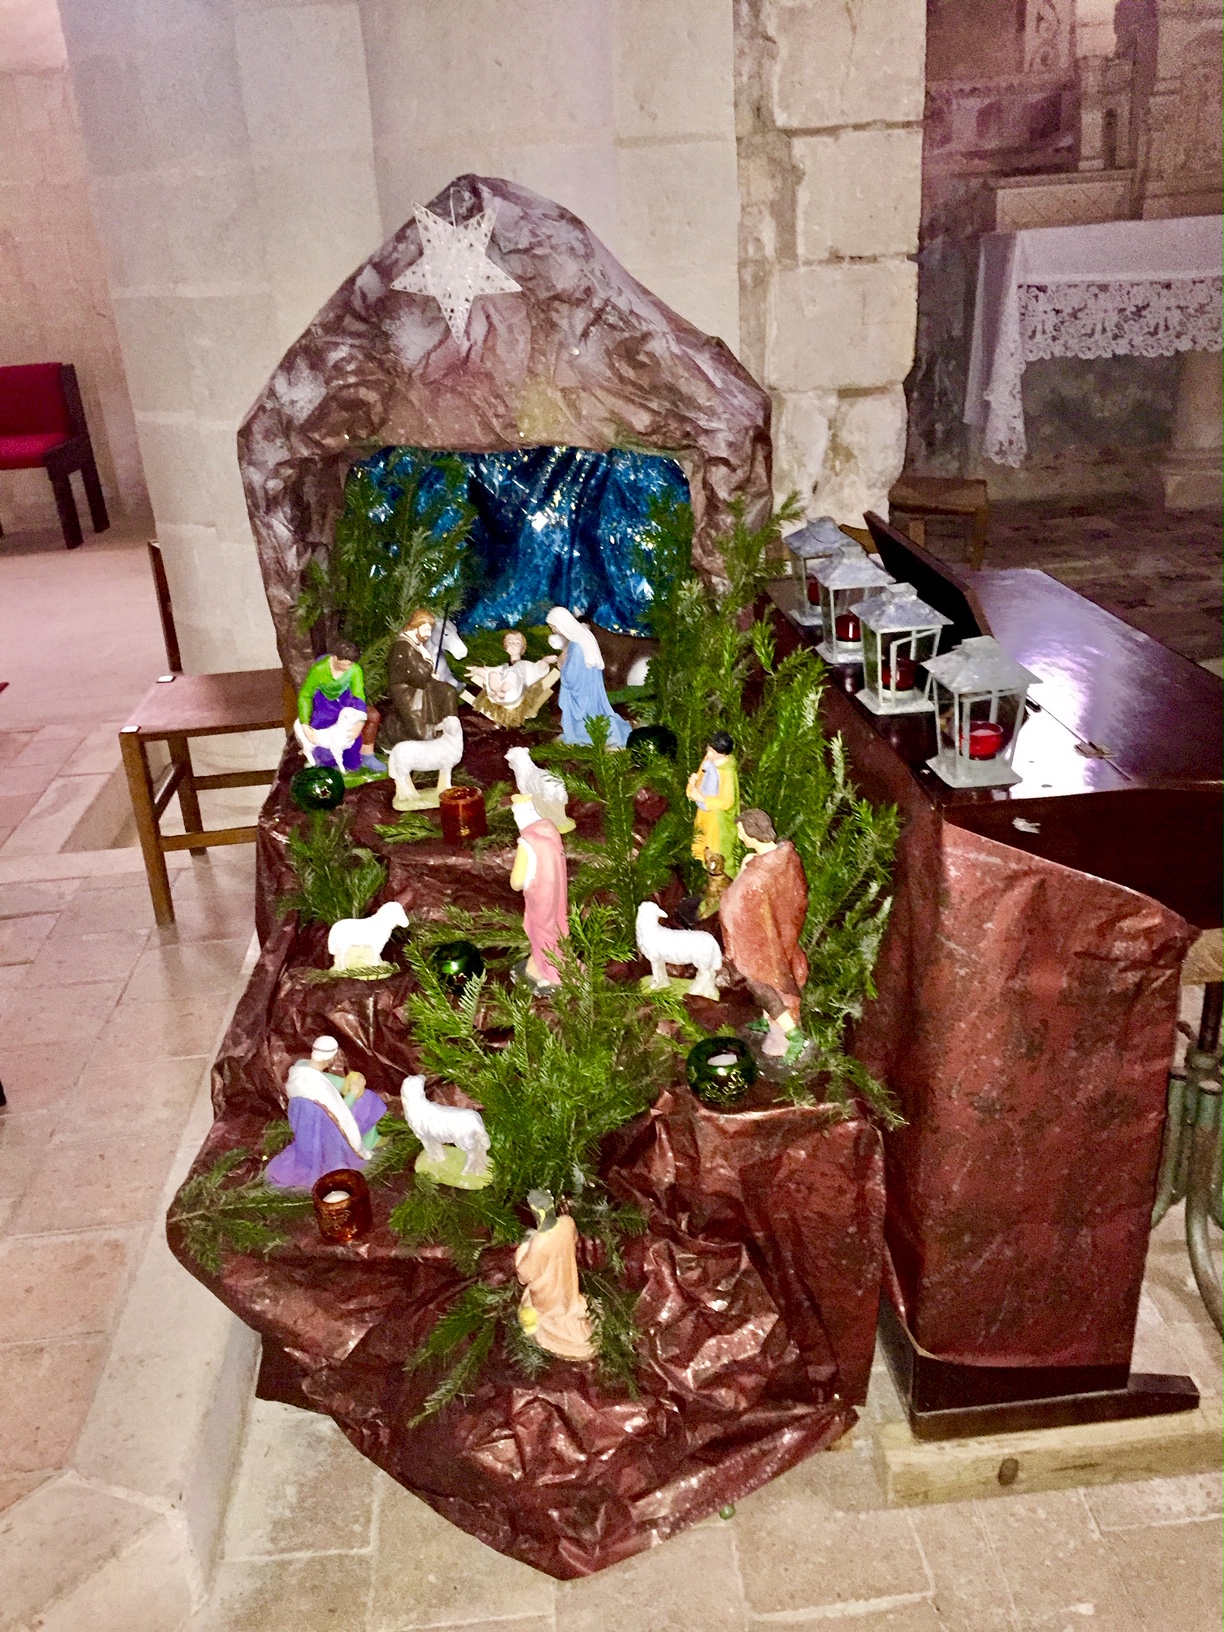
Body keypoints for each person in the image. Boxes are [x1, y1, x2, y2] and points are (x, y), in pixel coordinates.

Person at [718, 808, 809, 1059]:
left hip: (761, 943)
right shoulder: (787, 858)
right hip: (782, 932)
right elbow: (799, 896)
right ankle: (769, 1019)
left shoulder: (755, 878)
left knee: (763, 986)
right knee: (778, 980)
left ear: (752, 833)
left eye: (741, 832)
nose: (740, 837)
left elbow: (732, 907)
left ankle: (792, 1035)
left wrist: (743, 873)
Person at [265, 1036, 387, 1190]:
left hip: (306, 1124)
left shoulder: (301, 1068)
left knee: (365, 1097)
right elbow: (338, 1115)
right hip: (327, 1131)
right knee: (367, 1100)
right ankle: (368, 1143)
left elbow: (325, 1079)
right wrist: (353, 1094)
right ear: (330, 1058)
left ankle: (372, 1139)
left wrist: (347, 1082)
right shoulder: (319, 1090)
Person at [515, 1189, 595, 1361]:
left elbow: (525, 1273)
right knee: (567, 1300)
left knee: (552, 1309)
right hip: (567, 1278)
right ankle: (568, 1313)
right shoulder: (567, 1223)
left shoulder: (539, 1244)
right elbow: (573, 1237)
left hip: (547, 1290)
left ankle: (561, 1323)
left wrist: (524, 1247)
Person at [545, 606, 630, 748]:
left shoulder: (577, 645)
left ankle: (584, 736)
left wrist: (561, 667)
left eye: (554, 627)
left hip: (582, 692)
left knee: (585, 716)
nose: (554, 631)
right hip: (589, 687)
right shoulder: (582, 637)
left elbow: (571, 675)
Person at [377, 608, 460, 753]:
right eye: (426, 630)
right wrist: (428, 663)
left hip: (423, 684)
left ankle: (449, 730)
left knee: (448, 692)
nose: (429, 634)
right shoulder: (404, 646)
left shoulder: (418, 644)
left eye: (430, 630)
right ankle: (393, 735)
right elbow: (420, 674)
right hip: (406, 690)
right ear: (416, 626)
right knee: (420, 732)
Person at [509, 796, 569, 989]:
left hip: (539, 896)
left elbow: (516, 882)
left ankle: (552, 974)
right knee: (555, 929)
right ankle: (539, 962)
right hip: (556, 891)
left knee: (542, 933)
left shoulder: (528, 841)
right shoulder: (550, 830)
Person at [296, 644, 379, 774]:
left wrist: (360, 721)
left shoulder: (354, 670)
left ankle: (359, 759)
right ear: (335, 657)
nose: (348, 668)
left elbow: (359, 696)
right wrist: (305, 725)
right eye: (345, 665)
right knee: (323, 742)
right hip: (324, 703)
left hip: (346, 702)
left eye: (350, 665)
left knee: (351, 744)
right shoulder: (319, 670)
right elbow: (305, 696)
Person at [461, 628, 559, 726]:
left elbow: (538, 670)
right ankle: (496, 692)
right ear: (505, 647)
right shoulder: (504, 667)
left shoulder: (526, 666)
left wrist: (545, 661)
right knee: (494, 673)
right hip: (497, 698)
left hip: (514, 696)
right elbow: (489, 672)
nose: (513, 645)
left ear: (523, 649)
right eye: (509, 642)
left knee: (512, 673)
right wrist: (479, 670)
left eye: (517, 643)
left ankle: (503, 692)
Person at [686, 732, 740, 877]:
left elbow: (727, 802)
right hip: (704, 815)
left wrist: (703, 799)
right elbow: (701, 777)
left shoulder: (727, 773)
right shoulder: (708, 760)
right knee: (701, 843)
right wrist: (693, 785)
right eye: (709, 749)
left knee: (717, 852)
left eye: (713, 751)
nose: (708, 753)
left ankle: (722, 881)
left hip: (717, 820)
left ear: (722, 754)